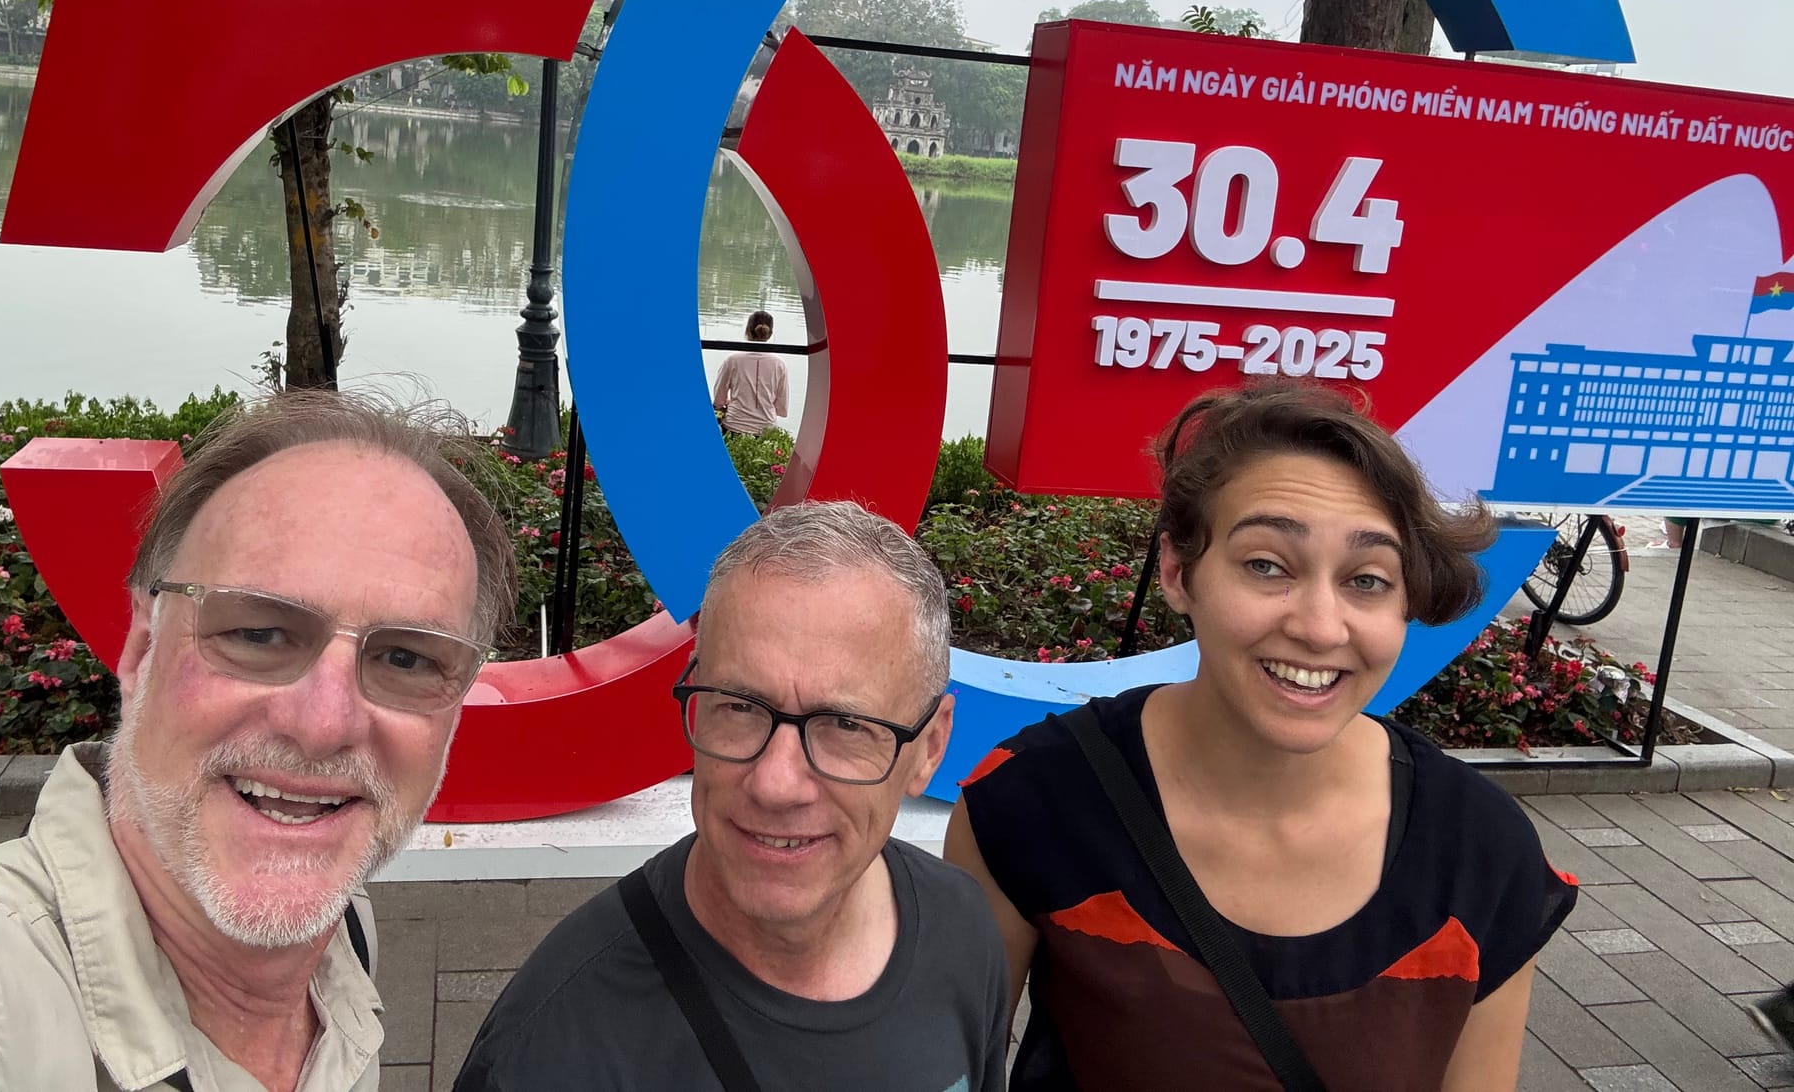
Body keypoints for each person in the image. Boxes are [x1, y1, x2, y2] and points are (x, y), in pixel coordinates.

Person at [0, 391, 516, 1092]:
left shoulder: (345, 934)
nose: (324, 723)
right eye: (258, 633)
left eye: (406, 659)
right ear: (142, 647)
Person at [946, 380, 1575, 1092]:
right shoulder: (1034, 800)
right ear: (1179, 573)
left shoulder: (1480, 849)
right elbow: (954, 1066)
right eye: (1266, 565)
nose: (1319, 627)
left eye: (1367, 580)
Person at [455, 500, 1009, 1091]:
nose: (775, 783)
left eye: (845, 725)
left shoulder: (964, 931)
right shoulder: (552, 1053)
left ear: (929, 748)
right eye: (741, 708)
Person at [714, 309, 791, 437]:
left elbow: (718, 401)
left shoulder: (732, 360)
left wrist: (730, 402)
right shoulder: (780, 364)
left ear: (747, 331)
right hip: (766, 430)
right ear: (770, 334)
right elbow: (782, 408)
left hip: (734, 427)